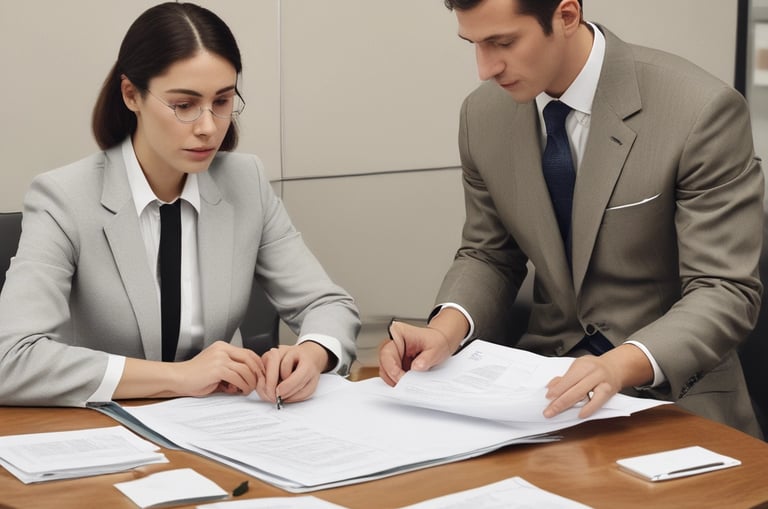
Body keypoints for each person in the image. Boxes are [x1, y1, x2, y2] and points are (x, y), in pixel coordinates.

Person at [379, 0, 764, 437]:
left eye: (502, 42)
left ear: (566, 16)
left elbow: (725, 289)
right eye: (474, 44)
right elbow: (489, 254)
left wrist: (619, 365)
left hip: (673, 397)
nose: (485, 68)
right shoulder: (482, 115)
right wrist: (444, 332)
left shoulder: (700, 110)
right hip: (540, 392)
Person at [0, 2, 359, 408]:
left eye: (222, 102)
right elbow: (10, 359)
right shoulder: (63, 198)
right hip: (107, 430)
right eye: (184, 105)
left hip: (227, 428)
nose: (208, 127)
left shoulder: (246, 181)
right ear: (131, 94)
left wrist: (311, 354)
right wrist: (180, 378)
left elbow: (327, 304)